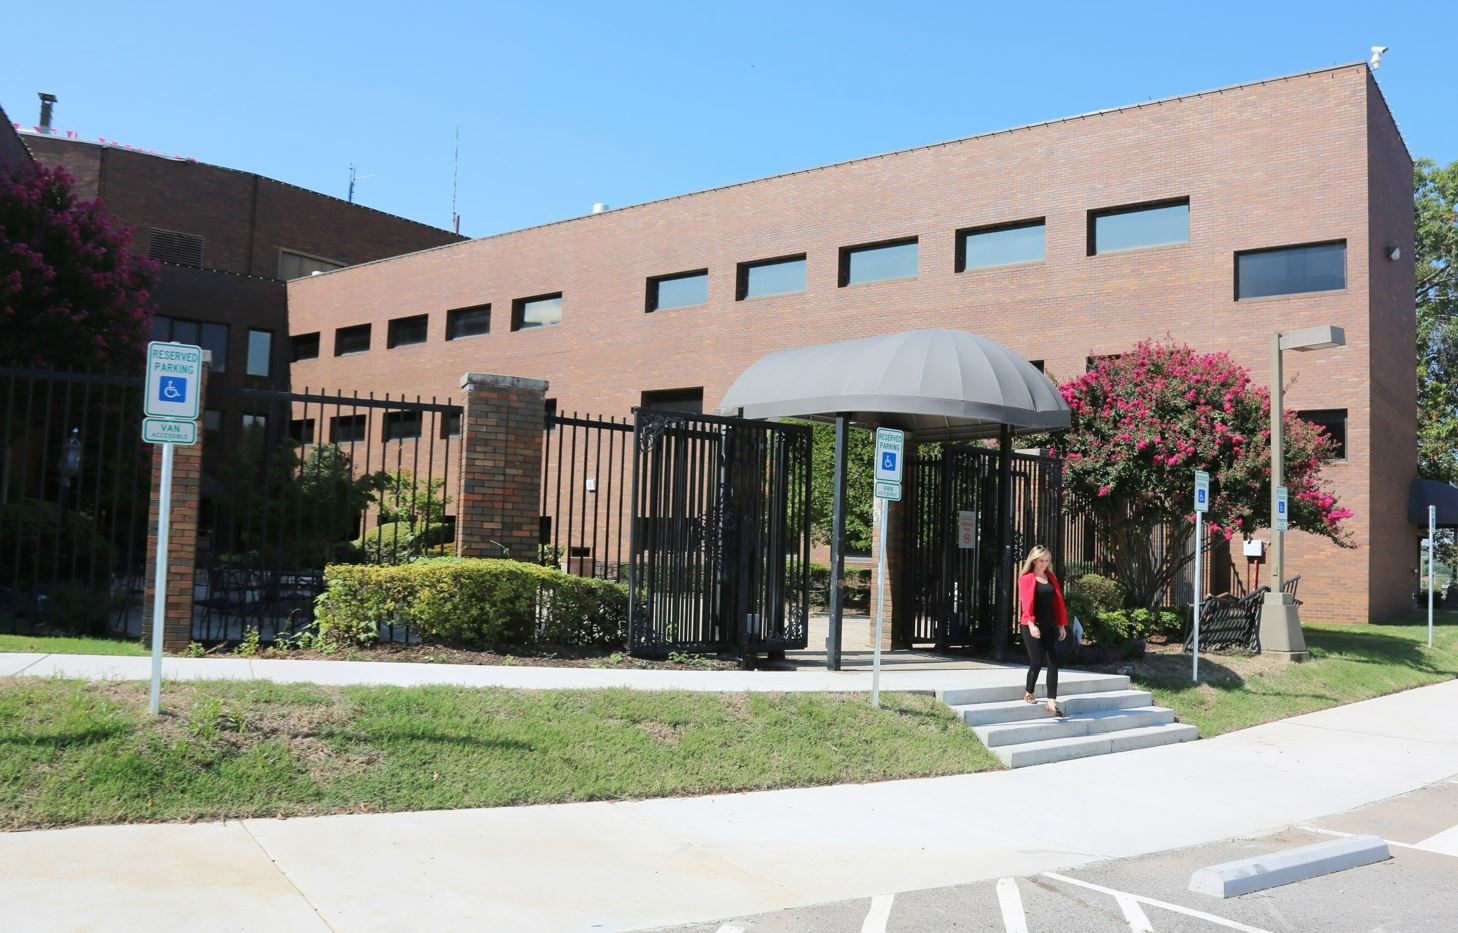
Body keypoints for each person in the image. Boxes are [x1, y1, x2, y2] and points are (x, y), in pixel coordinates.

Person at [1017, 545, 1068, 716]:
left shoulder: (1051, 578)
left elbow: (1057, 604)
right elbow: (1026, 605)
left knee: (1053, 662)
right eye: (1041, 561)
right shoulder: (1026, 579)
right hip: (1031, 625)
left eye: (1047, 560)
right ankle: (1029, 691)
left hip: (1049, 625)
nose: (1044, 564)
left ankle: (1051, 701)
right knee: (1037, 661)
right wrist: (1032, 625)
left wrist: (1061, 625)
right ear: (1033, 560)